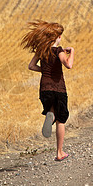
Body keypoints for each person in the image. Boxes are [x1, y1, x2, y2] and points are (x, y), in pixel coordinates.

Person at [21, 20, 74, 161]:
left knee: (52, 109)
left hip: (45, 89)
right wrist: (72, 52)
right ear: (57, 37)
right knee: (61, 120)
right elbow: (68, 65)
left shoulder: (41, 51)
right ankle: (59, 152)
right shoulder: (59, 50)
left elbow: (31, 66)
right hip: (59, 89)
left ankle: (50, 112)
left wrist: (44, 71)